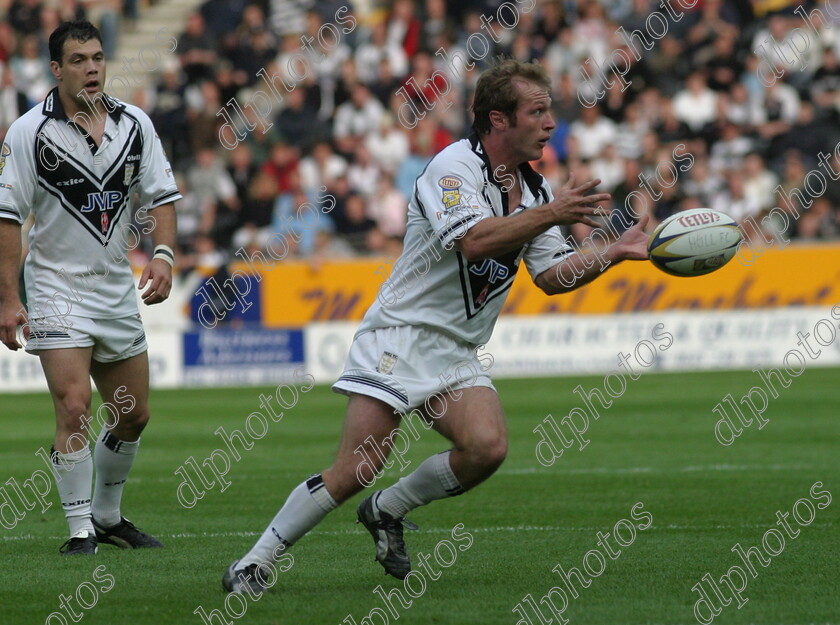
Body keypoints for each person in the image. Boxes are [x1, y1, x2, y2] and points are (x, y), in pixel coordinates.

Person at [222, 59, 650, 593]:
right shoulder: (453, 167)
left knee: (486, 448)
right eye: (537, 112)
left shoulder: (536, 193)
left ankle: (387, 510)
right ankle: (254, 561)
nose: (549, 125)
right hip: (401, 335)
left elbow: (552, 277)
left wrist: (613, 252)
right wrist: (553, 214)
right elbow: (473, 240)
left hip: (455, 348)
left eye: (549, 113)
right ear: (498, 120)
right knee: (358, 464)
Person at [0, 21, 180, 555]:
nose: (93, 68)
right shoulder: (28, 132)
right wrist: (9, 297)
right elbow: (8, 217)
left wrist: (165, 255)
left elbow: (162, 195)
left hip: (115, 290)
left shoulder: (136, 124)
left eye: (98, 57)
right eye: (78, 60)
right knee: (74, 405)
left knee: (134, 413)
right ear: (56, 70)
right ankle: (80, 532)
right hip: (55, 288)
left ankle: (106, 516)